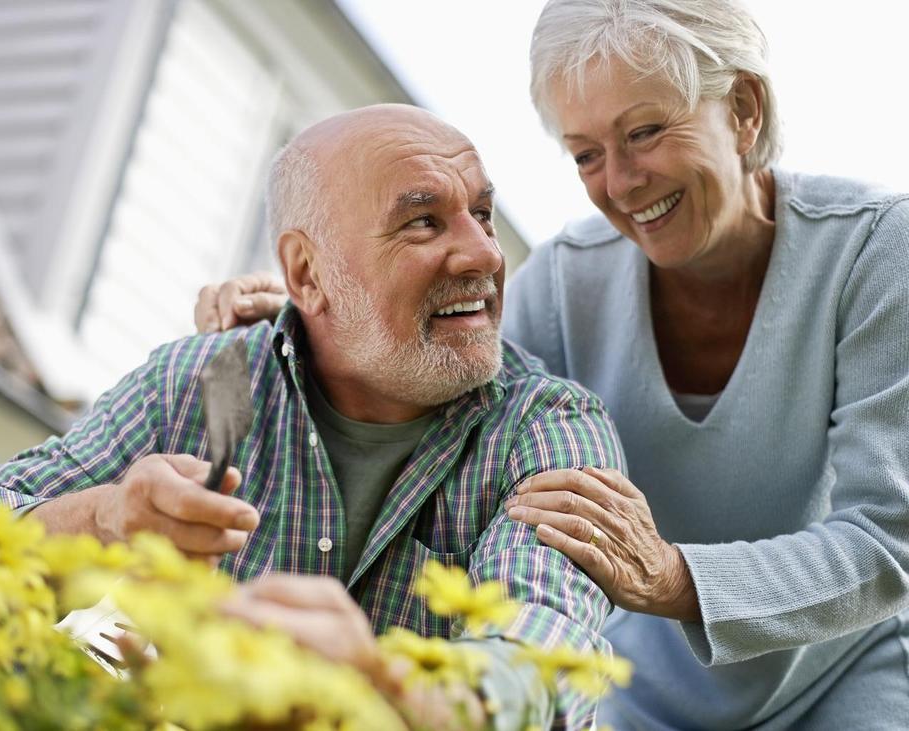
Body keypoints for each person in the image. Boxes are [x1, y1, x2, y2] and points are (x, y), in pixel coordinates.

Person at [193, 1, 909, 728]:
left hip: (840, 680)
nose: (623, 182)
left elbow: (888, 543)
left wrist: (673, 577)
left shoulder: (877, 252)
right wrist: (315, 312)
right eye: (587, 154)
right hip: (632, 693)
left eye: (646, 131)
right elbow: (443, 376)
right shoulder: (567, 284)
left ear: (745, 108)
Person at [0, 104, 626, 730]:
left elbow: (548, 657)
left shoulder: (550, 427)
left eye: (483, 212)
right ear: (308, 275)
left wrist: (385, 692)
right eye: (423, 221)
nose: (484, 252)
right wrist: (106, 519)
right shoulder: (203, 381)